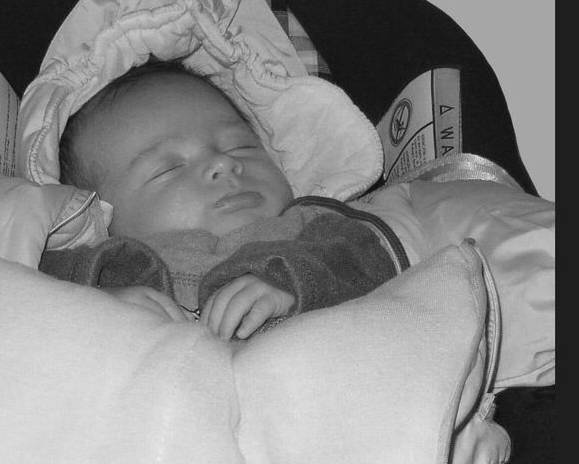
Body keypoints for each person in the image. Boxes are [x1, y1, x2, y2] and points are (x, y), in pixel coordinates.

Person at [40, 60, 400, 341]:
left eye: (240, 146)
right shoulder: (94, 267)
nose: (223, 163)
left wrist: (296, 282)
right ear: (98, 216)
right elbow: (30, 300)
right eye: (170, 168)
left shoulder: (320, 230)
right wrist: (93, 307)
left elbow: (377, 264)